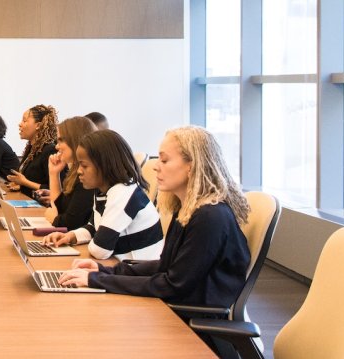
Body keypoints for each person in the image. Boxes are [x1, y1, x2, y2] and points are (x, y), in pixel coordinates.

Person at [56, 126, 250, 311]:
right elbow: (166, 267)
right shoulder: (188, 209)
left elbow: (172, 284)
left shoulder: (209, 217)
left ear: (191, 166)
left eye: (164, 161)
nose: (156, 166)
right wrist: (103, 271)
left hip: (188, 323)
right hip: (174, 307)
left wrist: (96, 280)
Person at [41, 130, 162, 259]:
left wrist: (95, 241)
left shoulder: (122, 193)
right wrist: (71, 236)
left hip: (138, 272)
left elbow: (100, 250)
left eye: (84, 166)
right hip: (121, 267)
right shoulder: (103, 191)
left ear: (105, 165)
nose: (79, 171)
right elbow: (94, 226)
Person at [39, 116, 97, 228]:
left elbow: (69, 224)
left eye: (60, 141)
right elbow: (60, 208)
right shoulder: (75, 171)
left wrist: (54, 218)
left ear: (75, 140)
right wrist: (54, 173)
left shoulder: (88, 176)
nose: (56, 146)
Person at [6, 104, 58, 198]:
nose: (20, 124)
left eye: (24, 120)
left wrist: (24, 182)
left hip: (41, 207)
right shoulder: (32, 147)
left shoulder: (50, 150)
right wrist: (19, 184)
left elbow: (54, 188)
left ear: (38, 125)